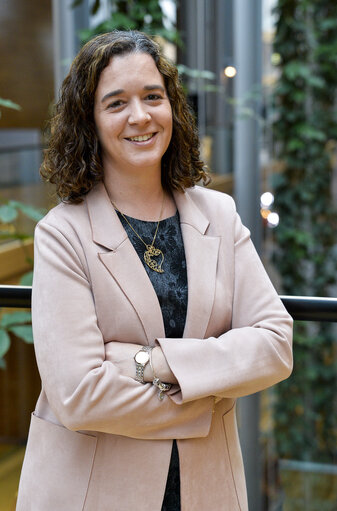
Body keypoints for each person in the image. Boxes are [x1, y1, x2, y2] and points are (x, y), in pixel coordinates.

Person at [16, 30, 293, 511]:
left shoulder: (220, 215)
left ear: (172, 107)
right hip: (95, 490)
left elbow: (274, 344)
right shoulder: (62, 233)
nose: (140, 116)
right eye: (116, 102)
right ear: (91, 121)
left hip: (206, 488)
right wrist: (211, 390)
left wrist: (148, 363)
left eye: (152, 97)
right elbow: (80, 395)